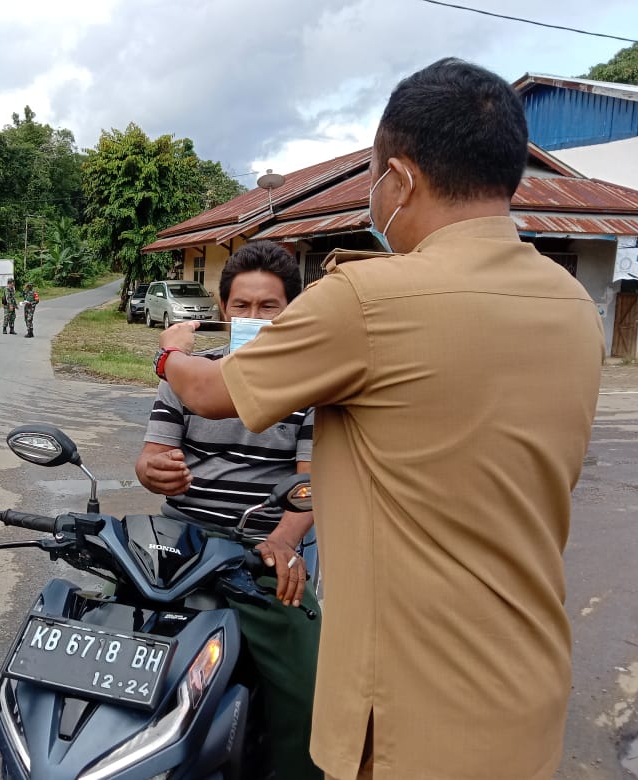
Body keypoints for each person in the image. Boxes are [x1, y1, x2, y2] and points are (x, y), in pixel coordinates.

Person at [154, 58, 604, 780]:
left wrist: (168, 355)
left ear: (402, 178)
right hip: (526, 691)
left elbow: (211, 392)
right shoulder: (573, 307)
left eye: (372, 178)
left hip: (409, 719)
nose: (372, 196)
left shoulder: (367, 299)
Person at [137, 241, 322, 779]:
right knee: (111, 625)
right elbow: (149, 459)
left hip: (261, 548)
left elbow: (312, 484)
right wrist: (153, 472)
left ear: (291, 311)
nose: (254, 318)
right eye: (242, 307)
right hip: (181, 538)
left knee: (309, 682)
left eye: (269, 307)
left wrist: (285, 541)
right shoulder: (186, 375)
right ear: (224, 310)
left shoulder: (312, 386)